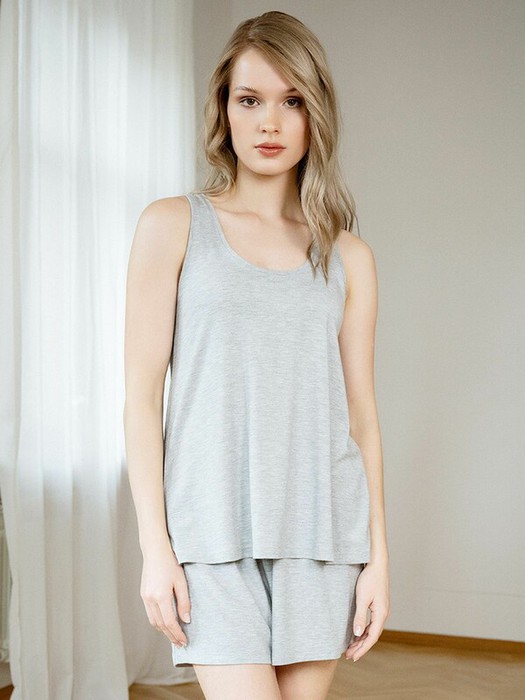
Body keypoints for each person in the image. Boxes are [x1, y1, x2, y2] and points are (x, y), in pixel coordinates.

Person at [124, 10, 390, 700]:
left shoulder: (349, 256)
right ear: (224, 109)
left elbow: (361, 418)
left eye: (291, 101)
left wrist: (377, 559)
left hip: (322, 539)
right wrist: (156, 549)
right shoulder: (172, 225)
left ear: (315, 114)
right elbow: (141, 399)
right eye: (249, 99)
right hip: (209, 538)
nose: (269, 122)